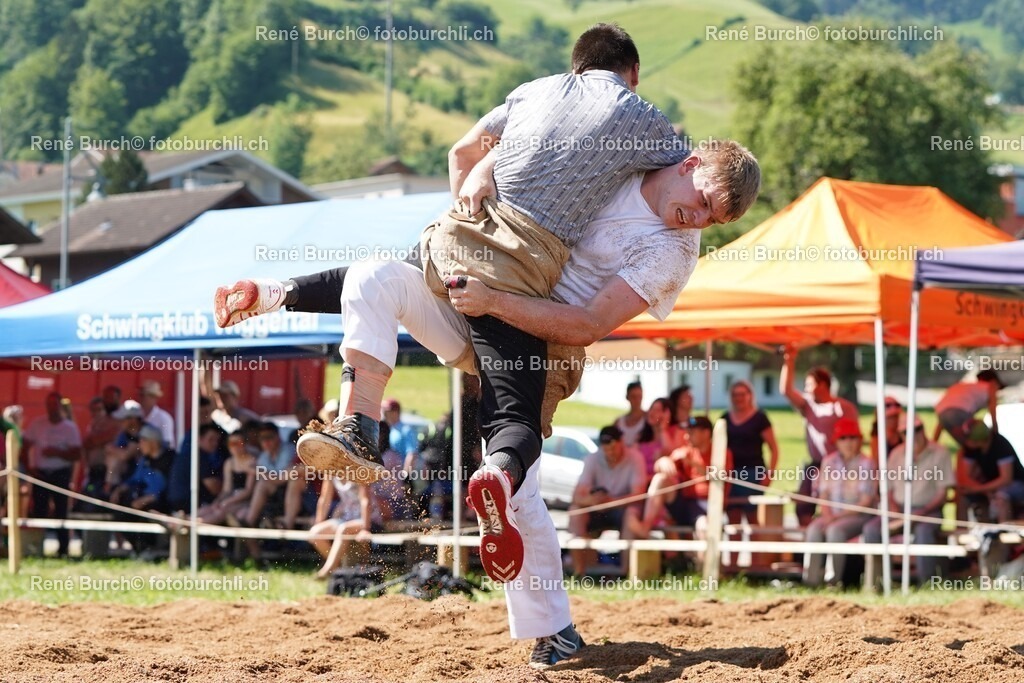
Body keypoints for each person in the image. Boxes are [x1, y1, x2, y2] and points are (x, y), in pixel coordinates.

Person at [214, 24, 759, 667]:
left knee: (513, 482)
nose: (697, 222)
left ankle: (549, 623)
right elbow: (526, 138)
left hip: (541, 333)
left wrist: (495, 297)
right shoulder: (624, 151)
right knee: (375, 276)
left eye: (712, 221)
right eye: (701, 205)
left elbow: (586, 323)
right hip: (477, 292)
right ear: (689, 164)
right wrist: (485, 172)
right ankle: (358, 426)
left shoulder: (674, 249)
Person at [862, 414, 953, 584]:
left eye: (917, 429)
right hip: (898, 509)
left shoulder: (940, 453)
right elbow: (886, 488)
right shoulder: (896, 454)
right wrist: (895, 509)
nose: (913, 434)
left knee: (923, 531)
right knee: (871, 529)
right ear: (901, 435)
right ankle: (876, 582)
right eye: (906, 432)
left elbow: (943, 493)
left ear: (923, 429)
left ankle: (926, 583)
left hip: (928, 510)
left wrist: (921, 512)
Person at [781, 348, 859, 525]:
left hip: (840, 465)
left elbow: (855, 437)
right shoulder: (808, 406)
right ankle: (807, 541)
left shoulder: (844, 408)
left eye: (809, 385)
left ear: (822, 385)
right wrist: (789, 360)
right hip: (816, 464)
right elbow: (786, 390)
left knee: (836, 505)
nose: (806, 390)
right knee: (803, 505)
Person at [803, 418, 876, 588]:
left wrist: (836, 517)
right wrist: (828, 514)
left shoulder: (867, 463)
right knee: (814, 529)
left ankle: (833, 581)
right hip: (832, 514)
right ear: (836, 441)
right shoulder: (829, 462)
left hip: (858, 516)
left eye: (852, 437)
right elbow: (823, 494)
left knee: (835, 531)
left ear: (859, 440)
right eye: (844, 438)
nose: (848, 442)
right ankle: (811, 580)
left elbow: (865, 501)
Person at [626, 416, 725, 537]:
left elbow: (720, 478)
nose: (686, 436)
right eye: (687, 432)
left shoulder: (722, 454)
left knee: (703, 526)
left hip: (707, 506)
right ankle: (645, 527)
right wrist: (663, 461)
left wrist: (693, 464)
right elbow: (661, 466)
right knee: (660, 479)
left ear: (706, 433)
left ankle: (703, 556)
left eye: (691, 432)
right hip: (684, 505)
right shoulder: (685, 451)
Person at [568, 425, 647, 576]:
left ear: (622, 442)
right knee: (576, 511)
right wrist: (593, 501)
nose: (610, 453)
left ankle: (626, 572)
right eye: (606, 450)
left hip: (623, 508)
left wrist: (612, 501)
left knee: (632, 513)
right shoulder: (592, 459)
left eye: (613, 449)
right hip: (598, 509)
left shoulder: (635, 458)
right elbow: (577, 496)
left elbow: (639, 494)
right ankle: (581, 571)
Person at [22, 392, 82, 557]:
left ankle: (63, 549)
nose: (51, 408)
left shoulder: (70, 428)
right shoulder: (37, 424)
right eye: (49, 405)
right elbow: (25, 446)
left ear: (60, 406)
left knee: (61, 510)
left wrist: (57, 453)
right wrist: (29, 467)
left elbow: (77, 454)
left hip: (61, 473)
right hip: (41, 473)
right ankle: (36, 547)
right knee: (39, 510)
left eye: (54, 405)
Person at [721, 379, 779, 524]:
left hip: (753, 473)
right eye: (735, 395)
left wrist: (769, 474)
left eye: (742, 394)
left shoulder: (760, 418)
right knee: (733, 520)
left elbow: (774, 448)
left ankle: (755, 547)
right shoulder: (724, 419)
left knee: (752, 519)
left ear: (750, 395)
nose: (738, 398)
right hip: (730, 474)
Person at [309, 474, 379, 579]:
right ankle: (339, 568)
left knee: (344, 529)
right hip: (346, 517)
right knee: (315, 533)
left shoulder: (359, 472)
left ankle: (327, 571)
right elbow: (324, 499)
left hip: (369, 518)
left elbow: (365, 500)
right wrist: (319, 522)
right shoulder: (331, 472)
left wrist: (365, 529)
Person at [958, 419, 1024, 523]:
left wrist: (979, 489)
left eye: (968, 439)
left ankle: (1004, 533)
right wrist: (983, 490)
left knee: (1000, 497)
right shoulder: (971, 448)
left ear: (977, 439)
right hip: (989, 486)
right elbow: (966, 475)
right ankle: (962, 532)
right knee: (963, 498)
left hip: (1016, 485)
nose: (965, 442)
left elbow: (1006, 479)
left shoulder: (1000, 445)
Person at [195, 432, 256, 526]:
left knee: (221, 511)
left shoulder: (252, 461)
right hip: (232, 499)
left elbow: (248, 491)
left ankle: (196, 524)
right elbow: (227, 490)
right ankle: (185, 520)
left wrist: (227, 502)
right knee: (208, 509)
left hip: (246, 501)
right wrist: (219, 500)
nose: (235, 447)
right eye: (232, 444)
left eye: (238, 443)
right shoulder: (229, 463)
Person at [933, 370, 1003, 448]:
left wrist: (934, 442)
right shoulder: (991, 386)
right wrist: (995, 433)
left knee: (968, 447)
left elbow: (945, 414)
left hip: (941, 415)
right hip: (959, 413)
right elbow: (993, 411)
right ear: (994, 381)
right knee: (981, 442)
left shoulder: (963, 386)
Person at [138, 380, 175, 447]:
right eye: (140, 395)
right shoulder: (137, 415)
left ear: (154, 398)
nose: (140, 398)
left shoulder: (164, 418)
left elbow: (167, 444)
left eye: (143, 395)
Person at [870, 396, 904, 463]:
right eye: (890, 418)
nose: (894, 421)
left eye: (895, 417)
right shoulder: (877, 438)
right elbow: (876, 462)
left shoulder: (905, 434)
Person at [615, 381, 646, 447]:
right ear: (627, 397)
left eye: (639, 396)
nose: (637, 400)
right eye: (633, 397)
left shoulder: (648, 419)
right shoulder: (619, 422)